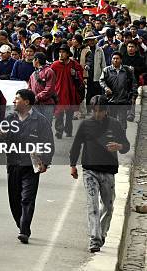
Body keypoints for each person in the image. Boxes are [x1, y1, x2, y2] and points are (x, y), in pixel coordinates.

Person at [69, 95, 130, 252]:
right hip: (90, 170)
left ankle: (102, 233)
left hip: (108, 171)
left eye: (100, 111)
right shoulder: (85, 124)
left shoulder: (115, 125)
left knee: (108, 207)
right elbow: (76, 145)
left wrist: (119, 146)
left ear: (106, 110)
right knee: (93, 205)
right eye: (94, 111)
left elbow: (126, 146)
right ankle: (94, 239)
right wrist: (72, 165)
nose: (97, 114)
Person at [0, 89, 54, 244]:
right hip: (13, 164)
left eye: (17, 99)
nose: (14, 101)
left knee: (27, 199)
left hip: (31, 165)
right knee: (14, 200)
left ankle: (24, 230)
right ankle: (21, 222)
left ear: (26, 102)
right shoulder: (9, 119)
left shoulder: (40, 120)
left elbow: (49, 142)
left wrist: (45, 162)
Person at [51, 44, 84, 138]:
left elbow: (80, 76)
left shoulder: (74, 64)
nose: (61, 54)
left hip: (70, 92)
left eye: (63, 52)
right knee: (59, 113)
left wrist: (76, 74)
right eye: (60, 52)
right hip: (59, 92)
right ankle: (59, 131)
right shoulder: (55, 65)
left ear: (68, 54)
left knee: (69, 114)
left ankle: (68, 130)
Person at [99, 52, 137, 131]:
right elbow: (101, 81)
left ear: (121, 60)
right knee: (111, 122)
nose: (115, 60)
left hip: (123, 100)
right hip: (110, 101)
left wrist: (133, 96)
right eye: (114, 58)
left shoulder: (127, 71)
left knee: (122, 122)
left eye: (117, 59)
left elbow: (133, 84)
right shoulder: (107, 70)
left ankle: (122, 139)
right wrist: (106, 88)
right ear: (111, 60)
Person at [28, 53, 57, 122]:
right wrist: (29, 97)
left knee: (46, 126)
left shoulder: (49, 71)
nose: (32, 62)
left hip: (47, 104)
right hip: (35, 105)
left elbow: (49, 89)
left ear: (36, 60)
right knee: (36, 127)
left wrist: (37, 97)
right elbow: (29, 88)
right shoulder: (33, 74)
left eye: (33, 60)